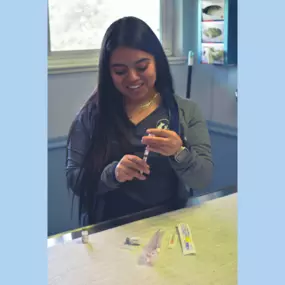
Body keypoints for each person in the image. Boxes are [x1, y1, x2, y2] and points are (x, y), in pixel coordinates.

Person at [66, 16, 213, 226]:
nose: (132, 78)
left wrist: (179, 152)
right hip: (107, 231)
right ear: (108, 72)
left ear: (157, 63)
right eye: (120, 71)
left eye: (142, 67)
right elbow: (75, 180)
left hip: (167, 225)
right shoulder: (91, 116)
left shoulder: (185, 111)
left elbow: (202, 178)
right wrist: (113, 174)